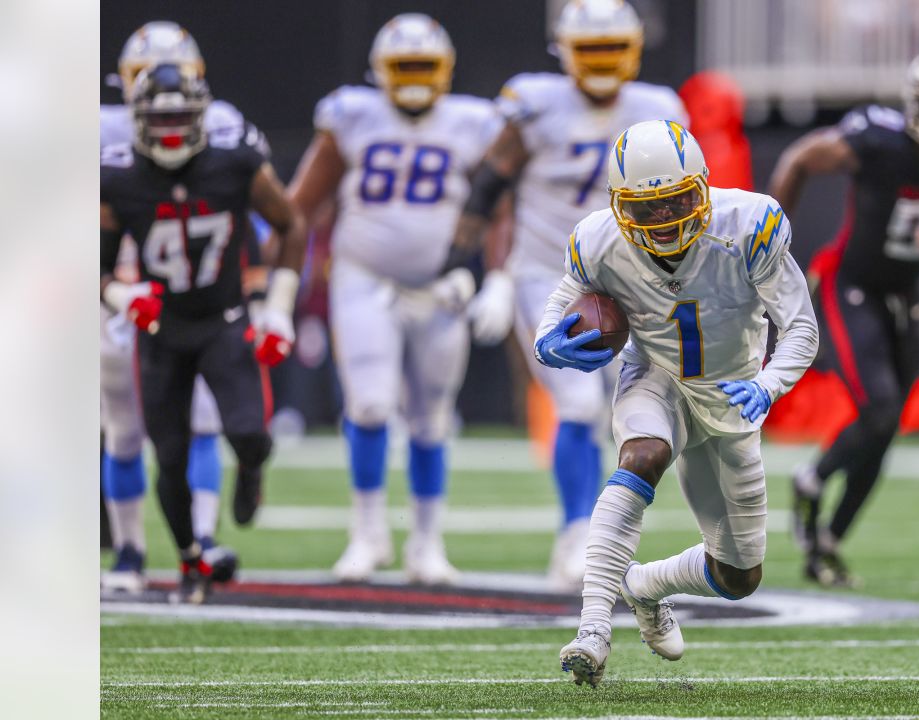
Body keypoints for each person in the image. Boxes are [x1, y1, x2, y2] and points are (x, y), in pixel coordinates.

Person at [544, 120, 818, 686]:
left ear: (703, 188)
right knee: (642, 455)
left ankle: (644, 584)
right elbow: (558, 305)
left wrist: (767, 384)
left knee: (739, 577)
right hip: (659, 375)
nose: (665, 220)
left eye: (677, 202)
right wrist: (549, 343)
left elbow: (802, 329)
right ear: (621, 209)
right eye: (647, 210)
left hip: (733, 397)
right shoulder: (598, 241)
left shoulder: (748, 225)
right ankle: (592, 628)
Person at [454, 0, 687, 590]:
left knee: (629, 409)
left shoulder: (658, 108)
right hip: (551, 275)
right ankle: (574, 533)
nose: (603, 63)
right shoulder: (535, 102)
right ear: (564, 53)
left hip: (631, 277)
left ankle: (603, 534)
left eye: (613, 49)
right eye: (592, 50)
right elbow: (492, 186)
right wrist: (499, 272)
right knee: (579, 404)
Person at [767, 49, 919, 586]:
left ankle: (828, 541)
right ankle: (812, 477)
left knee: (886, 425)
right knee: (877, 408)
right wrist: (766, 241)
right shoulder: (878, 139)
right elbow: (802, 158)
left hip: (904, 295)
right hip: (847, 283)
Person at [286, 13, 502, 584]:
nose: (412, 79)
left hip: (440, 286)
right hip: (365, 280)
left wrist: (483, 273)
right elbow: (300, 205)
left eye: (423, 67)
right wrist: (281, 281)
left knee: (433, 419)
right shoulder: (353, 117)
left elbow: (495, 205)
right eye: (402, 67)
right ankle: (368, 532)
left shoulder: (473, 123)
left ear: (446, 72)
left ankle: (427, 543)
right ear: (379, 72)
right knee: (370, 406)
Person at [100, 63, 306, 603]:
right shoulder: (117, 176)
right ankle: (192, 559)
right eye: (158, 118)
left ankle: (253, 469)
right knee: (167, 455)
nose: (169, 130)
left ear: (201, 115)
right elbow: (92, 263)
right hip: (160, 325)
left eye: (180, 117)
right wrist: (122, 295)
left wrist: (278, 308)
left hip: (224, 319)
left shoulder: (235, 160)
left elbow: (290, 224)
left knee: (248, 435)